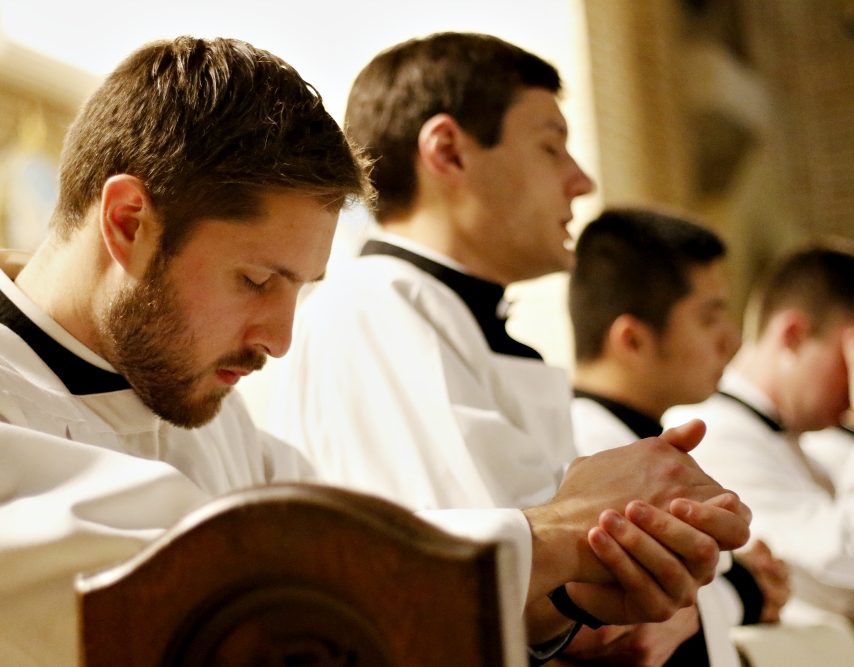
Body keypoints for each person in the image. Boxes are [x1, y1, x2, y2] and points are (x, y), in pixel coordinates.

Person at [0, 36, 747, 667]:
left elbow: (358, 594)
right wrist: (548, 537)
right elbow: (158, 586)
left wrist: (574, 604)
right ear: (129, 222)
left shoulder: (210, 418)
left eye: (299, 290)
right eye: (257, 280)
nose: (281, 338)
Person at [270, 32, 749, 664]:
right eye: (552, 147)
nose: (580, 181)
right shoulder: (373, 309)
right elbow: (457, 580)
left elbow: (548, 586)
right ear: (448, 152)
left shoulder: (455, 318)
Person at [568, 208, 791, 665]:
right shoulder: (587, 457)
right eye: (709, 318)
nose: (730, 339)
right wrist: (743, 586)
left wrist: (745, 582)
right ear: (632, 340)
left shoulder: (638, 439)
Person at [667, 244, 854, 621]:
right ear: (795, 335)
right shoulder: (712, 433)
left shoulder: (810, 440)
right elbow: (844, 569)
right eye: (846, 356)